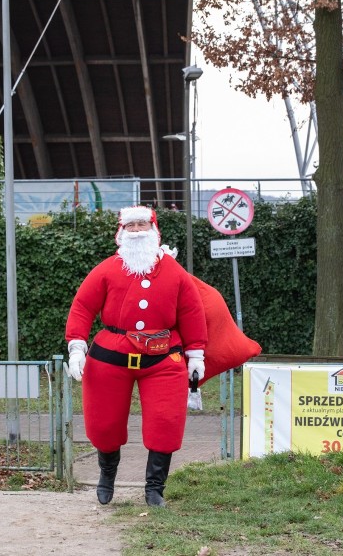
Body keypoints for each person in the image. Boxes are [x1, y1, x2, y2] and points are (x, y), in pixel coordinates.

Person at [65, 206, 207, 507]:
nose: (138, 230)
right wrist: (77, 346)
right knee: (103, 425)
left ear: (154, 230)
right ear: (121, 232)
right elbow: (82, 307)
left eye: (143, 224)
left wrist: (196, 355)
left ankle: (154, 488)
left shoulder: (175, 273)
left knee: (166, 422)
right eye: (131, 226)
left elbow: (192, 312)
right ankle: (106, 476)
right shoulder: (105, 269)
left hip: (163, 357)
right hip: (111, 356)